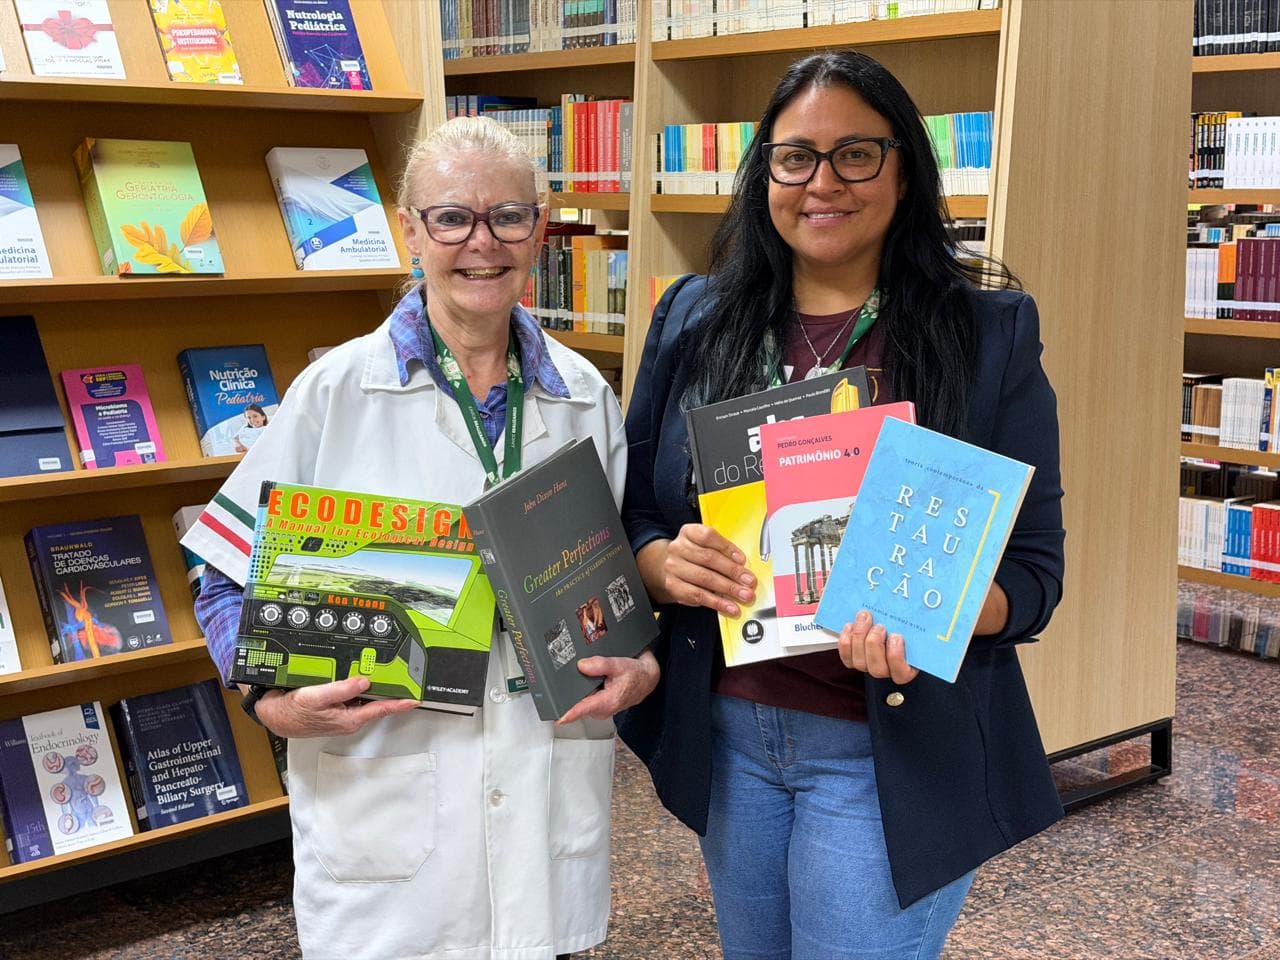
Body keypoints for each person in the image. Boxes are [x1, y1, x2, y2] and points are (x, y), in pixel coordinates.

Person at [617, 50, 1066, 960]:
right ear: (764, 174)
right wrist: (664, 567)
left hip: (887, 748)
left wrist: (930, 612)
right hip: (732, 738)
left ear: (904, 169)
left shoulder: (987, 333)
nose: (822, 183)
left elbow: (1036, 570)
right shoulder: (694, 317)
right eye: (794, 158)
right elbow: (633, 517)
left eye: (855, 154)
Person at [181, 116, 660, 960]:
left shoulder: (585, 395)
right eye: (452, 218)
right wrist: (270, 702)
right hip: (386, 814)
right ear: (410, 229)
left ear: (540, 228)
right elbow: (218, 574)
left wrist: (640, 663)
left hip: (544, 796)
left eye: (508, 217)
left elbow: (617, 580)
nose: (483, 243)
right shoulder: (334, 393)